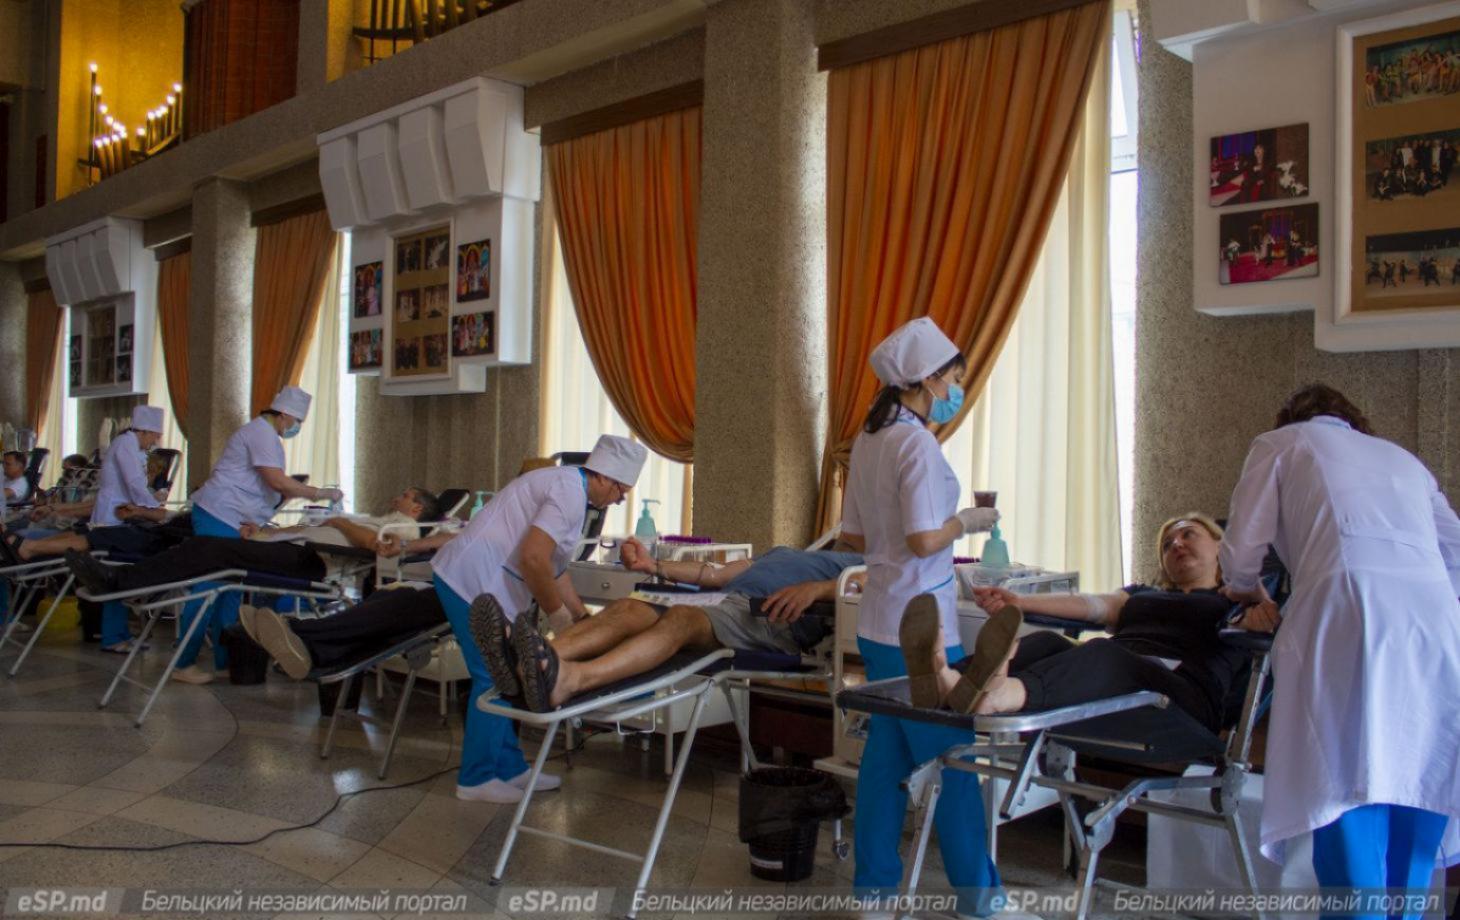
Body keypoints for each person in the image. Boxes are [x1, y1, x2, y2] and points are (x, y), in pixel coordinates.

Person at [1219, 384, 1460, 915]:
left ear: (1291, 418)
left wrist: (1243, 588)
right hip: (1436, 620)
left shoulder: (1281, 443)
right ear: (1354, 420)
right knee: (1420, 768)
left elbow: (1241, 550)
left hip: (1346, 608)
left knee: (1345, 768)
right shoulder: (1405, 461)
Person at [836, 317, 1005, 916]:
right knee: (956, 760)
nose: (956, 390)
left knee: (885, 760)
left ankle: (874, 890)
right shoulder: (916, 444)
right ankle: (980, 898)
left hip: (879, 619)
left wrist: (904, 552)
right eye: (954, 379)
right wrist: (966, 523)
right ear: (929, 379)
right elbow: (925, 538)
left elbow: (855, 535)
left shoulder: (870, 437)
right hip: (921, 629)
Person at [430, 435, 647, 804]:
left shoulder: (571, 491)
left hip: (483, 582)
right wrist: (558, 616)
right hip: (470, 581)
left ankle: (510, 768)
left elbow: (555, 568)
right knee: (492, 677)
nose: (618, 500)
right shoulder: (568, 492)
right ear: (605, 477)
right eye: (620, 491)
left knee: (508, 674)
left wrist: (580, 616)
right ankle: (477, 778)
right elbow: (533, 559)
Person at [905, 514, 1264, 732]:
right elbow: (1093, 606)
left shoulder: (1237, 601)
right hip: (1116, 683)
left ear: (1222, 547)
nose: (1176, 544)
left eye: (1188, 534)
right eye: (1168, 544)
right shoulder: (1142, 594)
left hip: (1182, 699)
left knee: (1104, 653)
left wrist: (1249, 591)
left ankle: (1001, 694)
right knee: (1048, 642)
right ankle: (948, 681)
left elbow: (1270, 623)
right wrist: (1020, 602)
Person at [475, 539, 864, 711]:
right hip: (724, 600)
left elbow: (878, 583)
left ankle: (571, 679)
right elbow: (716, 575)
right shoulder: (784, 552)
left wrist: (818, 588)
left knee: (682, 619)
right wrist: (655, 566)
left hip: (768, 620)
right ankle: (529, 660)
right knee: (630, 607)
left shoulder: (866, 564)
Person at [168, 386, 343, 684]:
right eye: (296, 421)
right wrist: (320, 493)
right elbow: (277, 482)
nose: (296, 427)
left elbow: (267, 487)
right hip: (219, 514)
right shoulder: (261, 433)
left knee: (231, 591)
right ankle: (183, 663)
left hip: (233, 517)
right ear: (285, 414)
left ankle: (227, 661)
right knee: (209, 587)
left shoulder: (265, 434)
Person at [65, 487, 441, 619]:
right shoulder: (377, 518)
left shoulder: (405, 527)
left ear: (418, 508)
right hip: (295, 547)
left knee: (209, 549)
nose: (398, 496)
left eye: (406, 495)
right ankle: (132, 585)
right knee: (202, 548)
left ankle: (121, 582)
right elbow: (306, 530)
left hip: (313, 563)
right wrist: (264, 534)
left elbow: (375, 545)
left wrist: (342, 521)